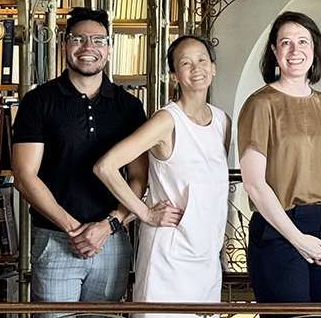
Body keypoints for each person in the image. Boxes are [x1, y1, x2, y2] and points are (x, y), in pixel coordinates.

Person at [10, 7, 148, 315]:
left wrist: (107, 226)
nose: (88, 48)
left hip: (111, 241)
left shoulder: (129, 107)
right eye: (78, 39)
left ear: (109, 50)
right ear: (64, 45)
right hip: (56, 239)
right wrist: (75, 230)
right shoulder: (38, 101)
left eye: (98, 40)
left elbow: (139, 177)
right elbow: (24, 176)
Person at [92, 36, 231, 318]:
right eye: (186, 63)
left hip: (206, 258)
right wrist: (144, 213)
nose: (197, 68)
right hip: (169, 257)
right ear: (173, 75)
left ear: (213, 68)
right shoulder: (166, 120)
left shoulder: (222, 121)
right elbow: (105, 167)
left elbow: (213, 190)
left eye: (202, 60)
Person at [237, 11, 321, 312]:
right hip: (280, 227)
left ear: (315, 50)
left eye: (303, 41)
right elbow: (253, 183)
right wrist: (298, 238)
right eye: (285, 43)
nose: (295, 50)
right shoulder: (261, 105)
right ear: (274, 52)